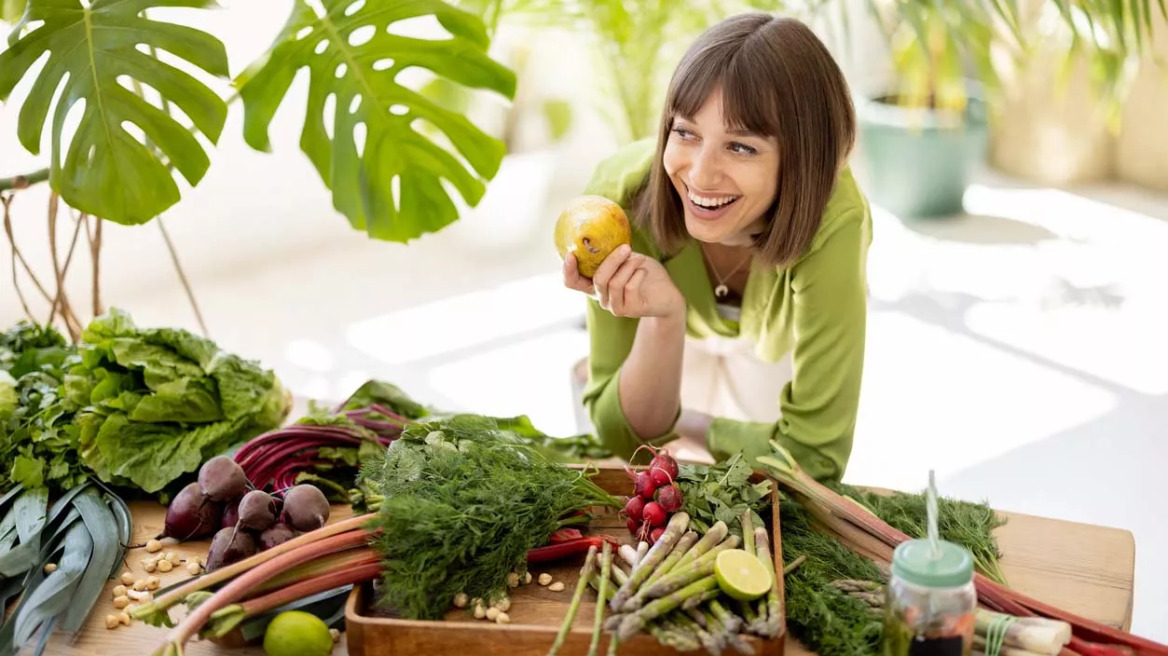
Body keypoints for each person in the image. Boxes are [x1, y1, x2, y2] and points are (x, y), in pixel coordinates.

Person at [562, 12, 872, 482]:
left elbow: (813, 458)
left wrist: (691, 427)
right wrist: (662, 319)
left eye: (741, 147)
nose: (701, 175)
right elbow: (622, 438)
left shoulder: (835, 221)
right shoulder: (619, 203)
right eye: (686, 132)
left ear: (803, 157)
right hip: (679, 335)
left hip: (772, 344)